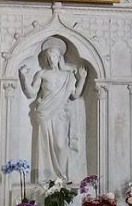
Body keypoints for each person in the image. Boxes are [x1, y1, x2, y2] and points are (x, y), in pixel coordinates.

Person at [19, 37, 87, 181]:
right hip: (44, 113)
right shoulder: (42, 74)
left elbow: (75, 94)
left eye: (54, 55)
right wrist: (24, 77)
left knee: (61, 145)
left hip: (60, 114)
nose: (52, 58)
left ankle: (60, 178)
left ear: (59, 57)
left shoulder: (68, 76)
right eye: (49, 56)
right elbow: (31, 93)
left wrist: (81, 79)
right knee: (43, 145)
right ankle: (45, 178)